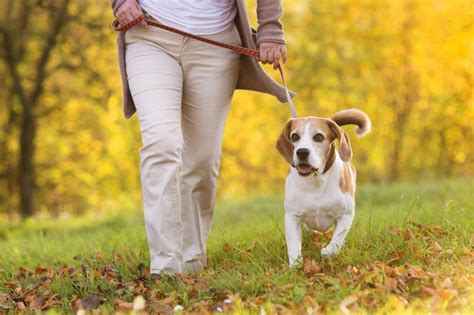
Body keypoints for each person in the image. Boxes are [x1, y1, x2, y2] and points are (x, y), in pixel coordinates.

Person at [111, 0, 295, 274]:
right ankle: (166, 267)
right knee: (162, 143)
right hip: (150, 35)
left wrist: (270, 31)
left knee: (202, 160)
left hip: (215, 44)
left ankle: (191, 260)